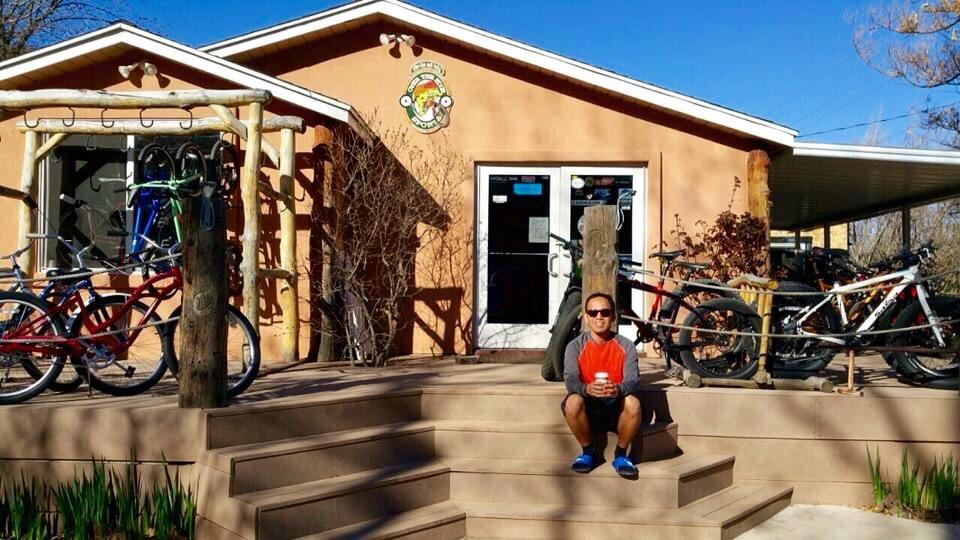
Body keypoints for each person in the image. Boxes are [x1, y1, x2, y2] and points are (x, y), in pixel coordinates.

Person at [560, 292, 642, 478]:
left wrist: (618, 389)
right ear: (587, 317)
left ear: (613, 316)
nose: (599, 317)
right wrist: (586, 389)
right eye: (593, 312)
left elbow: (632, 379)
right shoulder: (575, 346)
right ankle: (588, 452)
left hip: (616, 407)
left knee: (633, 403)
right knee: (572, 402)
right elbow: (570, 379)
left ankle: (621, 454)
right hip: (588, 407)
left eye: (605, 312)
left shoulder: (626, 345)